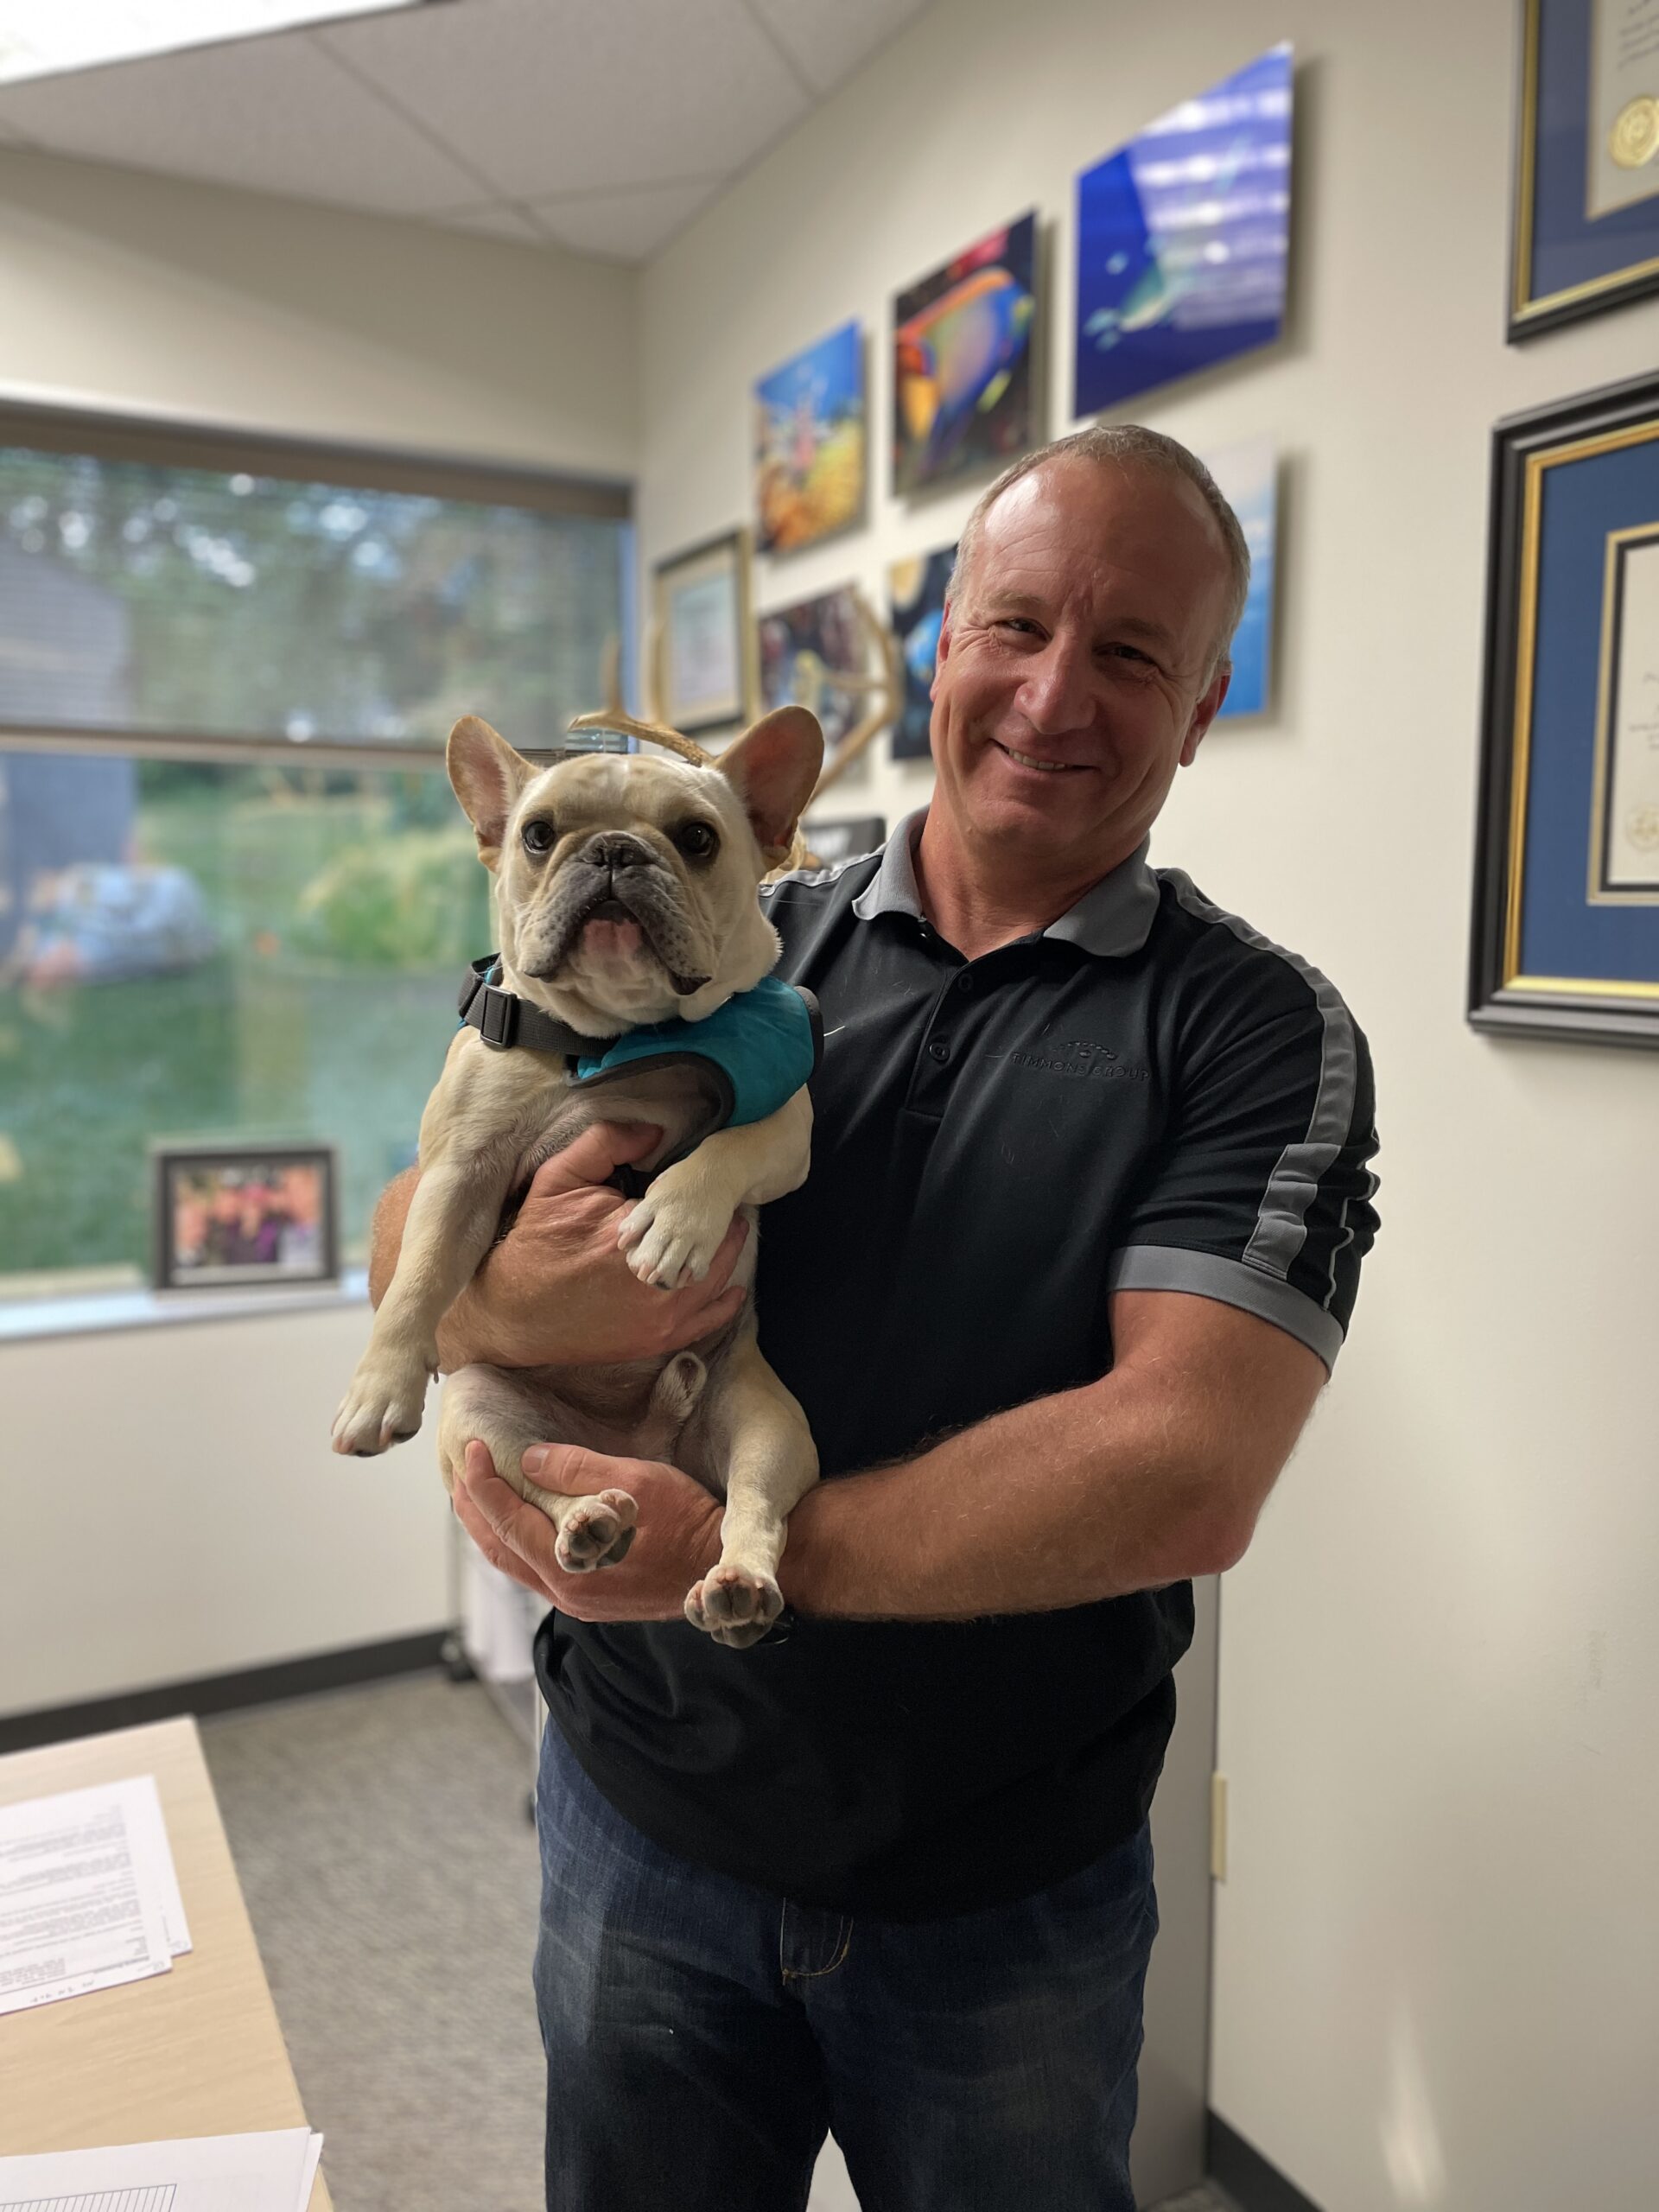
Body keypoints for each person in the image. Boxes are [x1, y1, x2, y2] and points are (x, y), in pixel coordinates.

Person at [374, 423, 1380, 2211]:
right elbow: (434, 1178)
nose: (1054, 692)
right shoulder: (724, 913)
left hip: (1003, 1890)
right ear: (941, 647)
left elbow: (1187, 1466)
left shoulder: (1254, 1034)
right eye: (1015, 624)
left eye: (1132, 651)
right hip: (640, 1812)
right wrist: (501, 1290)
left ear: (1205, 701)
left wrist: (749, 1545)